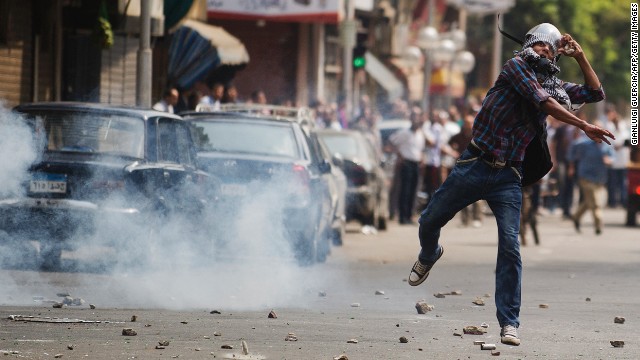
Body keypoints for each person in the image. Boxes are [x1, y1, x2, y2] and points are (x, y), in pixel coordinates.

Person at [407, 23, 614, 347]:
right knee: (429, 220)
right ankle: (430, 253)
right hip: (475, 164)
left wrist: (582, 57)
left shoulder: (554, 84)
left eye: (552, 48)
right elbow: (543, 102)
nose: (546, 50)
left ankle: (509, 323)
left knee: (510, 247)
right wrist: (584, 123)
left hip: (508, 176)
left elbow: (595, 93)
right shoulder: (516, 67)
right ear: (529, 45)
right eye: (542, 45)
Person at [569, 120, 615, 235]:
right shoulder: (583, 144)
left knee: (589, 201)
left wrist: (609, 161)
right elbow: (572, 152)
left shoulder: (606, 145)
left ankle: (576, 217)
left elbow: (612, 157)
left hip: (599, 178)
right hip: (586, 177)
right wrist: (571, 167)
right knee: (596, 202)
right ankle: (598, 224)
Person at [389, 106, 426, 225]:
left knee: (413, 191)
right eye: (414, 116)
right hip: (406, 164)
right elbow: (392, 142)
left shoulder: (420, 133)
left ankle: (409, 216)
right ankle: (402, 216)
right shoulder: (404, 132)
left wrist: (421, 158)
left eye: (418, 116)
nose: (416, 119)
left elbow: (421, 149)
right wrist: (400, 156)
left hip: (416, 164)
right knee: (404, 191)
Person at [604, 104, 630, 208]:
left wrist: (621, 144)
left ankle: (623, 201)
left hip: (623, 158)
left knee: (623, 183)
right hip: (613, 159)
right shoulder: (608, 125)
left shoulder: (623, 125)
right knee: (613, 183)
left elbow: (627, 139)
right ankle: (613, 201)